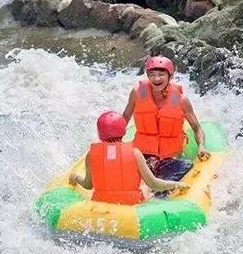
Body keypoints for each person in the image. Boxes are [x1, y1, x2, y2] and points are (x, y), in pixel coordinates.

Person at [122, 56, 209, 185]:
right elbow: (124, 119)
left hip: (170, 157)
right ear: (147, 75)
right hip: (142, 154)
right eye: (152, 75)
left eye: (161, 74)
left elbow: (196, 128)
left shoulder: (181, 101)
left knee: (186, 166)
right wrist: (111, 143)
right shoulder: (137, 93)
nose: (156, 79)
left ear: (170, 76)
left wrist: (201, 145)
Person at [68, 111, 188, 203]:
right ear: (123, 131)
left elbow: (88, 185)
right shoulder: (135, 153)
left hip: (101, 201)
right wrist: (176, 184)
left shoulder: (91, 154)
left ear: (100, 133)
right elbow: (154, 183)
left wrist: (76, 178)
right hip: (131, 203)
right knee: (145, 186)